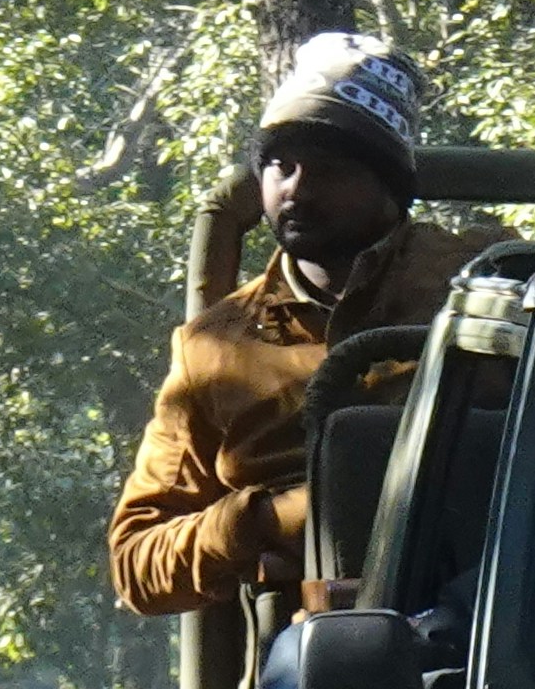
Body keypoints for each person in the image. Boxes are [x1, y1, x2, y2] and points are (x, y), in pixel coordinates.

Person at [108, 34, 507, 615]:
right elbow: (137, 563)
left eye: (330, 168)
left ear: (389, 186)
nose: (296, 187)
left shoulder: (485, 284)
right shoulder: (217, 348)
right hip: (318, 644)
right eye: (280, 165)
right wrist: (265, 520)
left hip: (502, 610)